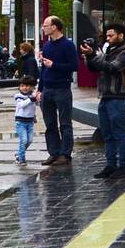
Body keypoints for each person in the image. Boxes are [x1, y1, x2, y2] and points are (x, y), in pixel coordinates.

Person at [89, 22, 125, 179]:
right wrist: (90, 55)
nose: (108, 38)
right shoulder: (107, 50)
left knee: (119, 133)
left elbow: (111, 68)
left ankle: (124, 166)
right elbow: (93, 68)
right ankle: (110, 165)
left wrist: (93, 57)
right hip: (105, 96)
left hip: (118, 97)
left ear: (121, 35)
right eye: (106, 36)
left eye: (111, 35)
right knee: (107, 134)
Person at [37, 16, 78, 168]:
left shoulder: (68, 45)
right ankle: (54, 152)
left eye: (45, 25)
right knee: (50, 123)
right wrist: (40, 89)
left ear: (54, 27)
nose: (43, 28)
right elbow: (43, 70)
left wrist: (54, 65)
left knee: (65, 123)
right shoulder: (47, 45)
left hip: (62, 88)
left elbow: (74, 66)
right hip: (47, 88)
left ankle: (65, 154)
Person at [13, 75, 40, 165]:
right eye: (22, 86)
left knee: (29, 140)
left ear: (32, 87)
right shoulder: (18, 96)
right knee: (24, 140)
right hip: (20, 122)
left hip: (30, 122)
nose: (25, 88)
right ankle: (21, 159)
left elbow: (33, 107)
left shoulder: (32, 96)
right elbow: (21, 105)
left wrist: (34, 116)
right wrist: (31, 99)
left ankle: (18, 153)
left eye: (27, 86)